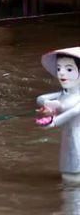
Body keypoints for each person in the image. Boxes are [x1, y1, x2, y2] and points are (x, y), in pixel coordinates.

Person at [36, 47, 80, 184]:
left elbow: (73, 111)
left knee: (73, 180)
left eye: (69, 69)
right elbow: (40, 98)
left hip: (77, 141)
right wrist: (50, 104)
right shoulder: (63, 94)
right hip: (68, 142)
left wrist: (54, 121)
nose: (61, 73)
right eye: (59, 68)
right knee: (69, 178)